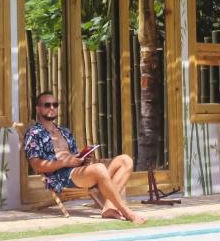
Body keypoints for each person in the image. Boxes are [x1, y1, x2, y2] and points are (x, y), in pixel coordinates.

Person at [23, 91, 146, 224]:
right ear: (38, 108)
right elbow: (35, 164)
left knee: (125, 160)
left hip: (77, 172)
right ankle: (126, 212)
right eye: (47, 105)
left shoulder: (64, 131)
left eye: (55, 104)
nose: (52, 108)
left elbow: (74, 156)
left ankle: (109, 208)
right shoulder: (34, 133)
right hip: (61, 177)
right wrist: (64, 162)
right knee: (99, 168)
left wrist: (83, 158)